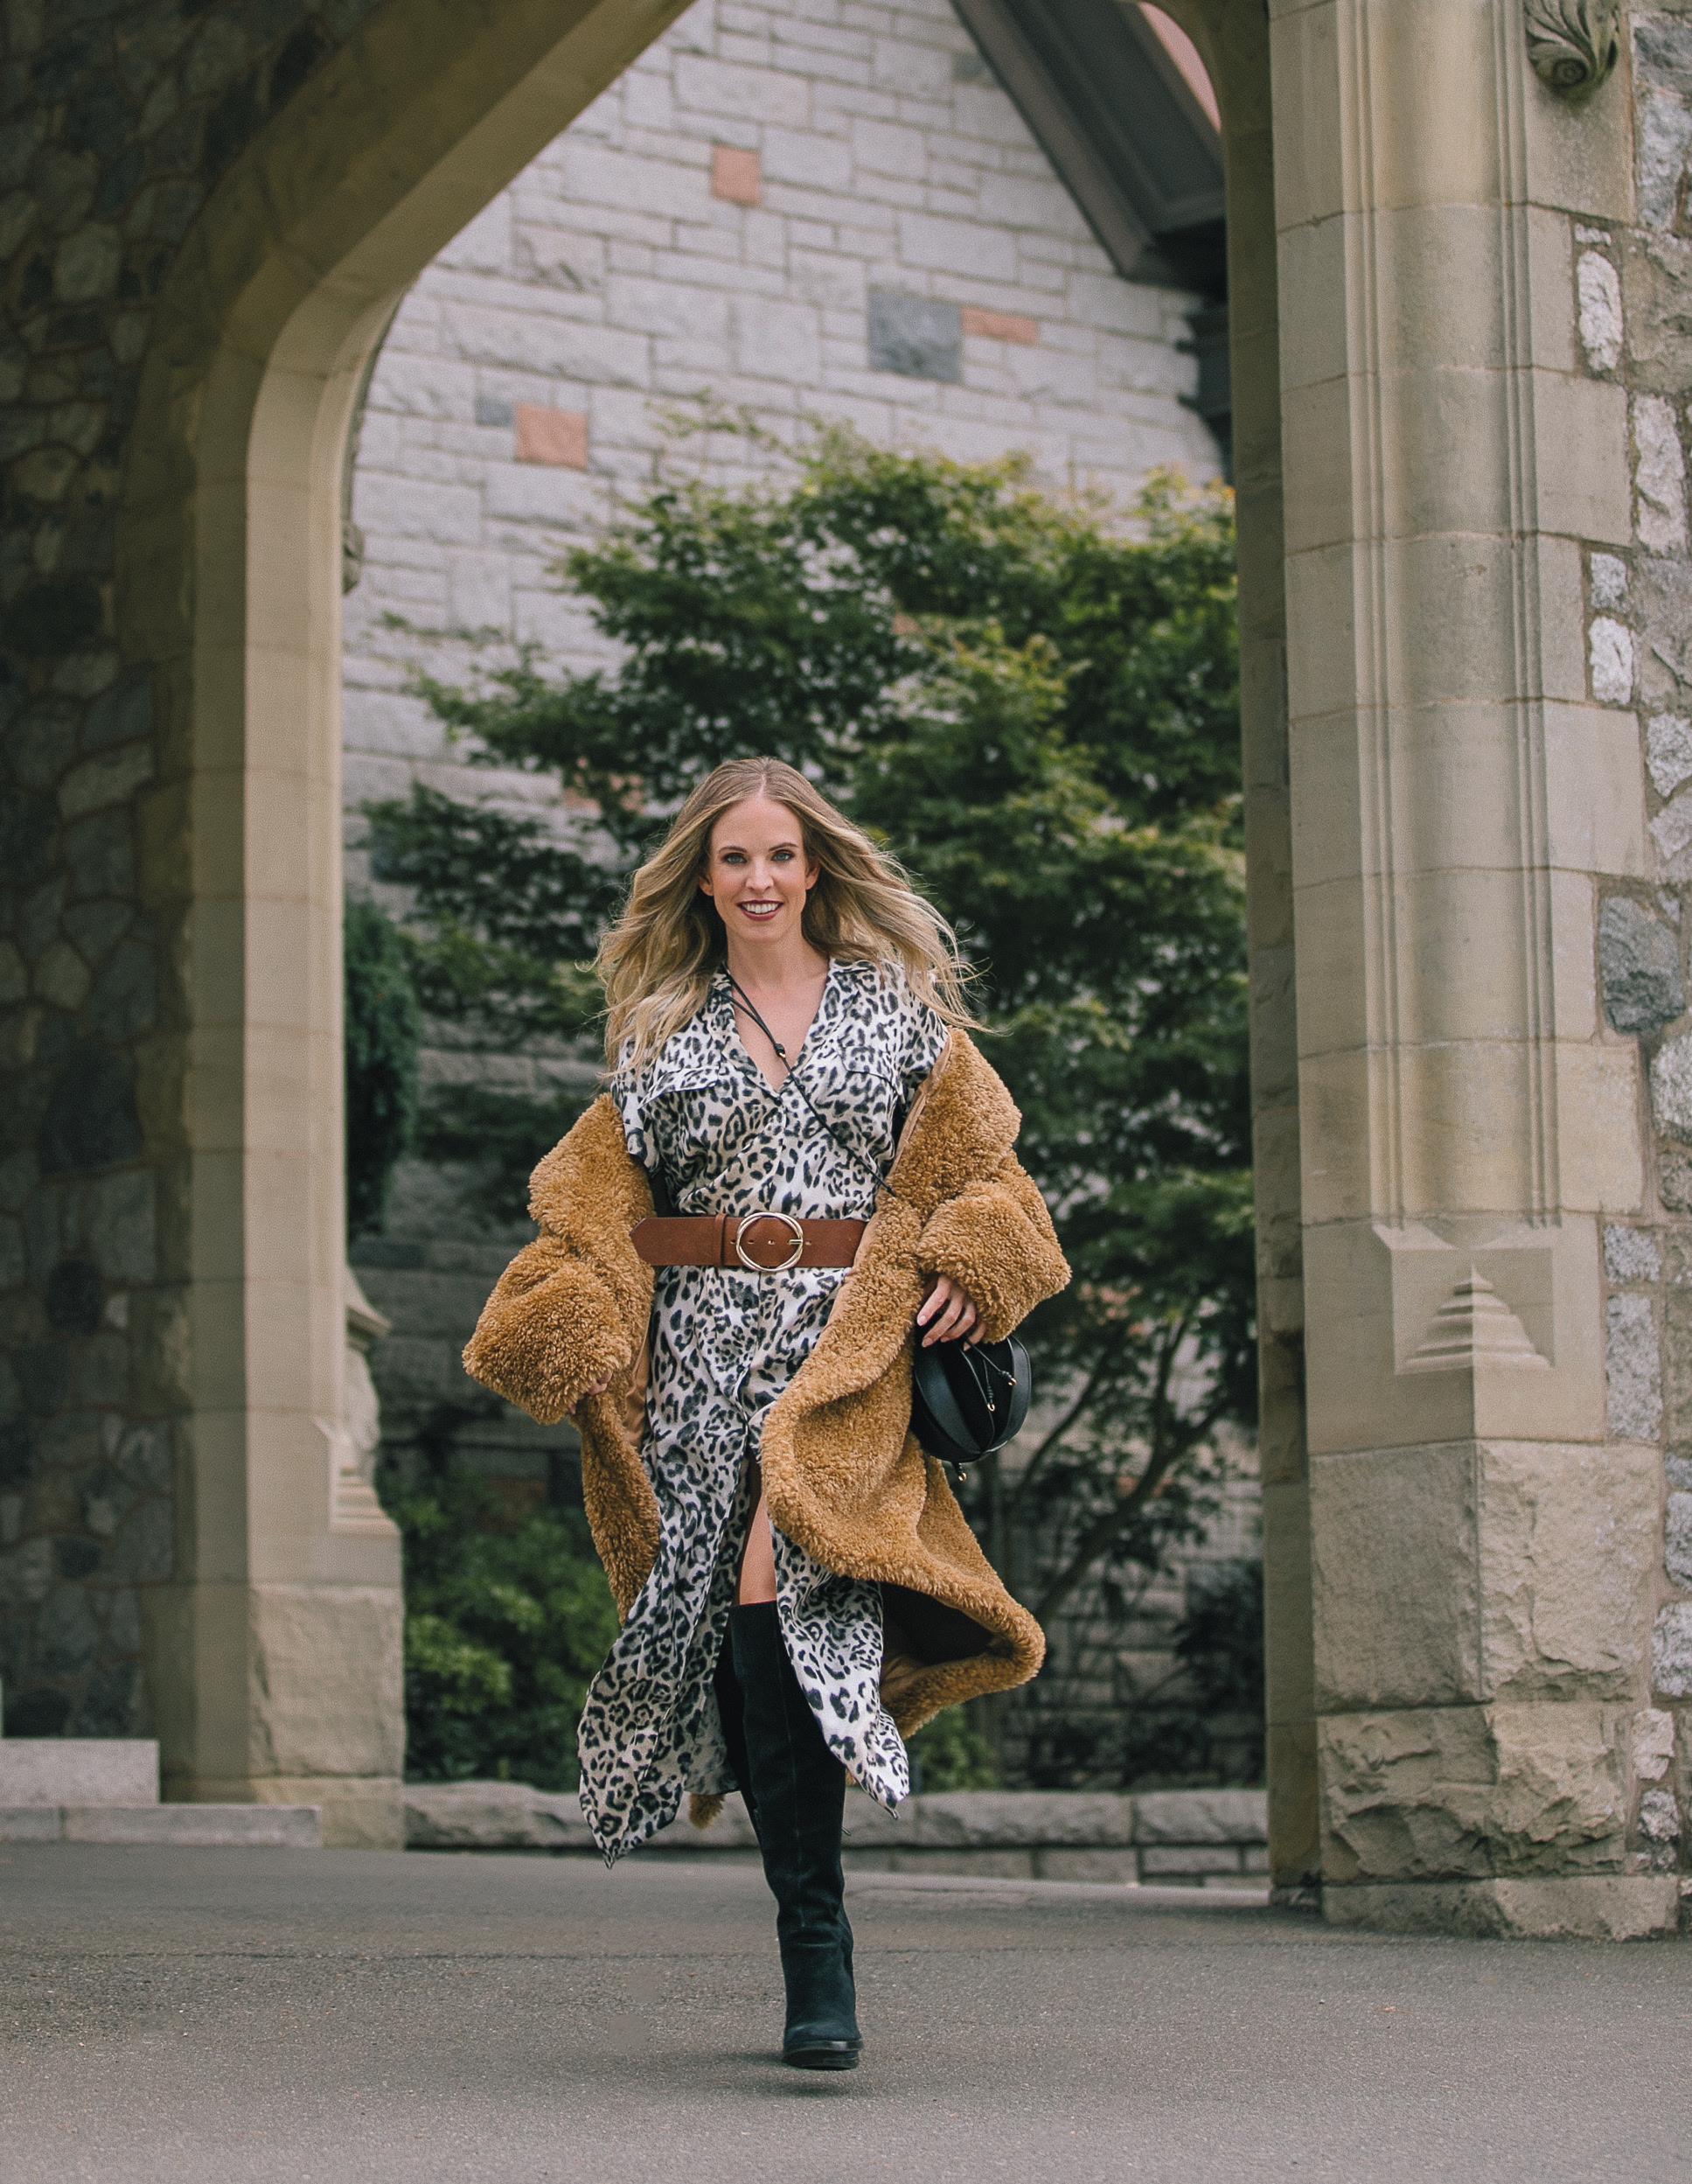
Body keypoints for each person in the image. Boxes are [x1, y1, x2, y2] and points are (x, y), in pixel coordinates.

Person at [463, 757, 1069, 2070]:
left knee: (776, 1587)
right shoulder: (661, 1029)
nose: (758, 878)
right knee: (728, 1635)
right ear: (701, 877)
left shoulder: (892, 1011)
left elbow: (990, 1174)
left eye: (780, 855)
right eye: (733, 857)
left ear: (813, 867)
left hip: (842, 1362)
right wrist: (576, 1315)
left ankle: (816, 1943)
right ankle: (800, 1891)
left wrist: (979, 1255)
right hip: (695, 1361)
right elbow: (592, 1211)